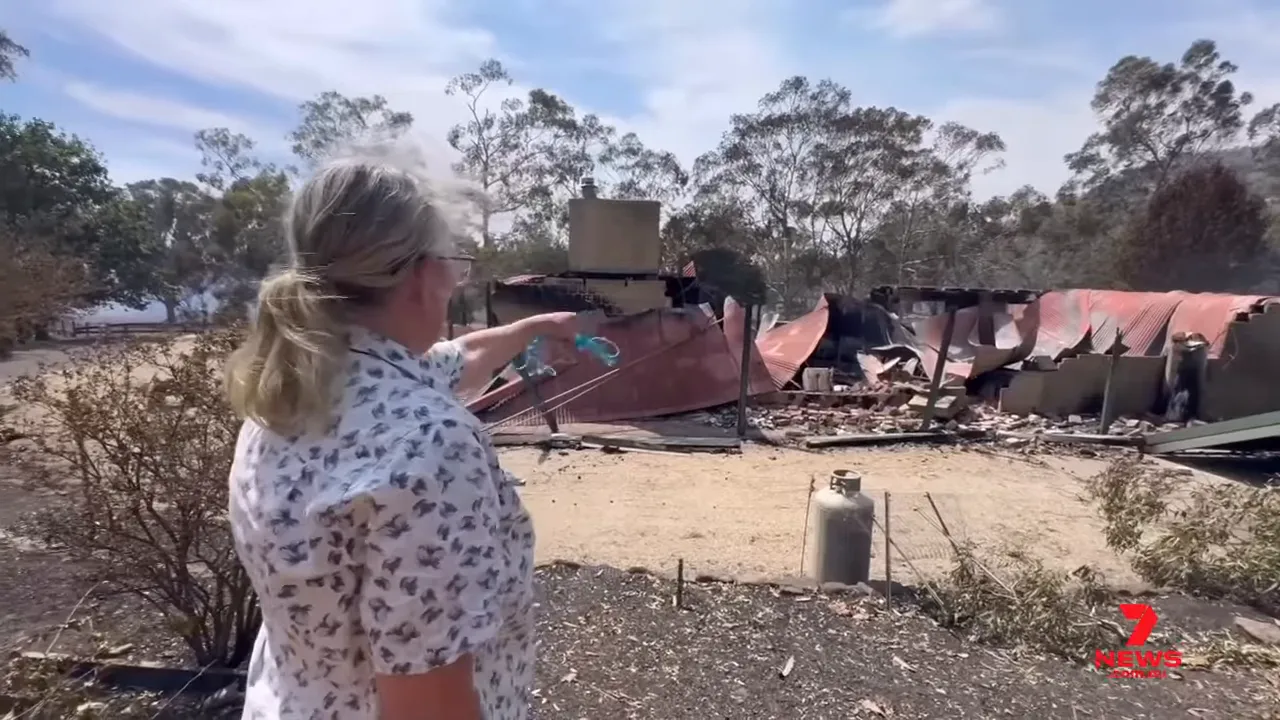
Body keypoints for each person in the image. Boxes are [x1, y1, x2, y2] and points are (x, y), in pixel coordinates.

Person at [224, 155, 577, 720]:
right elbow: (428, 709)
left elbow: (452, 361)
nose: (455, 283)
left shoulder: (289, 392)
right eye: (455, 265)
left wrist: (526, 331)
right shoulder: (432, 447)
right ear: (421, 275)